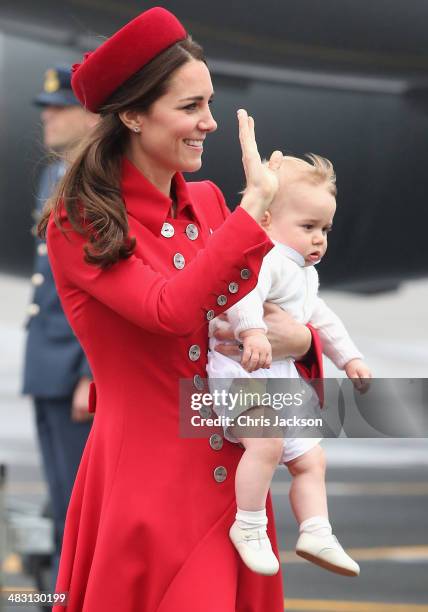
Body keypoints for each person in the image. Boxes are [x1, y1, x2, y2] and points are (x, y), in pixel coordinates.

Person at [38, 8, 321, 611]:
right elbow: (167, 310)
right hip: (151, 491)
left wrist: (301, 342)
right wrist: (252, 212)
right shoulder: (81, 219)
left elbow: (276, 320)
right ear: (134, 115)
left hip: (238, 494)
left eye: (210, 103)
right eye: (191, 107)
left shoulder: (210, 205)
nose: (210, 123)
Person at [207, 154, 372, 578]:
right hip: (239, 375)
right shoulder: (265, 258)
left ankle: (316, 530)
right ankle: (248, 525)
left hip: (275, 378)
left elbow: (321, 318)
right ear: (264, 219)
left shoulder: (302, 272)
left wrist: (349, 356)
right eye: (308, 227)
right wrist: (253, 331)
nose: (319, 240)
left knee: (312, 459)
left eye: (325, 230)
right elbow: (242, 292)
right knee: (268, 444)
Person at [23, 65, 98, 585]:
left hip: (78, 372)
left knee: (79, 501)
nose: (47, 114)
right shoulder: (56, 175)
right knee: (58, 491)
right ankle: (57, 594)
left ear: (93, 113)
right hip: (47, 361)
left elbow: (101, 287)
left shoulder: (99, 180)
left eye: (59, 105)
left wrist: (94, 372)